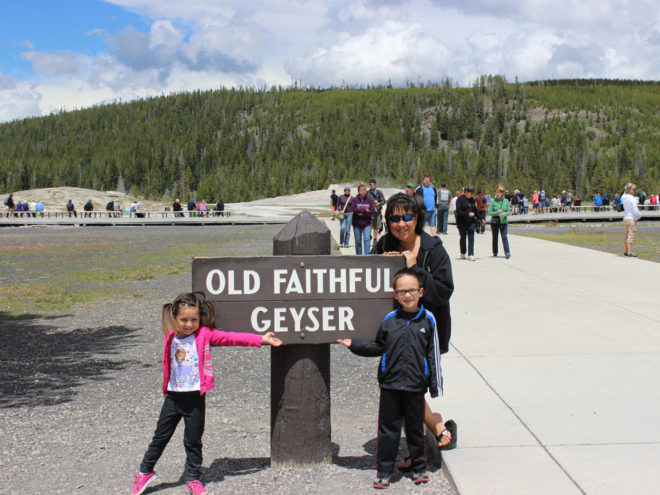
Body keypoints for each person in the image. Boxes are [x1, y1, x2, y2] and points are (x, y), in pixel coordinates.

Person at [131, 292, 282, 495]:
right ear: (174, 318)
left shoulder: (204, 335)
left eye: (194, 319)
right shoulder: (170, 337)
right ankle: (145, 472)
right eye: (184, 320)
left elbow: (230, 338)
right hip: (173, 397)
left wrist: (260, 339)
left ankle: (193, 477)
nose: (189, 324)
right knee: (160, 437)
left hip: (195, 398)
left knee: (193, 440)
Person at [337, 268, 441, 488]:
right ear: (395, 295)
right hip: (390, 384)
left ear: (420, 292)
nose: (407, 295)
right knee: (388, 431)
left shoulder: (428, 320)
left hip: (415, 385)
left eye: (412, 290)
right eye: (402, 291)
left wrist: (435, 386)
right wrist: (355, 345)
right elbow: (378, 347)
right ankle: (384, 471)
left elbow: (433, 355)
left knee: (415, 430)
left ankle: (419, 468)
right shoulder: (389, 320)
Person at [371, 193, 455, 460]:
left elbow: (443, 292)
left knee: (407, 388)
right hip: (396, 333)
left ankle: (430, 434)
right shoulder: (384, 244)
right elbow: (368, 287)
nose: (401, 223)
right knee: (404, 386)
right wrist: (383, 263)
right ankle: (433, 430)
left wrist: (414, 267)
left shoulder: (433, 248)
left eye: (407, 217)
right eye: (394, 218)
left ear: (417, 218)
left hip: (426, 333)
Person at [349, 183, 376, 255]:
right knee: (358, 241)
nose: (362, 191)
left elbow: (372, 211)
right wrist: (365, 210)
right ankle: (359, 256)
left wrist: (360, 211)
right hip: (356, 223)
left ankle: (366, 256)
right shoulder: (354, 200)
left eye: (363, 190)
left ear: (365, 191)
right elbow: (354, 210)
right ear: (358, 191)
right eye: (361, 190)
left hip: (367, 223)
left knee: (367, 239)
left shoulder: (370, 200)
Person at [455, 185, 478, 261]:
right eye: (470, 192)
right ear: (466, 192)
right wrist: (467, 214)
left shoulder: (472, 200)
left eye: (472, 192)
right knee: (463, 237)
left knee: (471, 237)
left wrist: (481, 218)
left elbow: (475, 210)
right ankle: (463, 252)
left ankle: (471, 254)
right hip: (461, 221)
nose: (471, 194)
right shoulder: (460, 199)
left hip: (471, 222)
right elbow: (458, 211)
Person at [488, 185, 511, 258]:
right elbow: (489, 212)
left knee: (504, 237)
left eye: (499, 192)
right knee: (495, 237)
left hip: (503, 222)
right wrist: (497, 212)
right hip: (495, 222)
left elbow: (508, 211)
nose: (497, 194)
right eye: (496, 192)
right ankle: (495, 252)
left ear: (502, 193)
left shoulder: (506, 201)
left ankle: (507, 252)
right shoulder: (493, 201)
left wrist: (505, 214)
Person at [622, 183, 642, 257]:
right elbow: (635, 211)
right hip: (631, 218)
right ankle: (629, 252)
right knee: (631, 235)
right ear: (630, 190)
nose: (635, 191)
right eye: (634, 189)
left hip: (625, 217)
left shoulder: (624, 197)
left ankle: (626, 251)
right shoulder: (632, 199)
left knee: (626, 235)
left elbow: (624, 193)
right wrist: (639, 216)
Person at [367, 179, 386, 251]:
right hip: (369, 212)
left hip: (377, 212)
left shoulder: (379, 192)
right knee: (369, 226)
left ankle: (375, 239)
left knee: (376, 227)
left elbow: (384, 201)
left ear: (375, 185)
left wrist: (379, 203)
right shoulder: (367, 193)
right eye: (370, 184)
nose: (372, 186)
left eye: (373, 184)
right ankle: (369, 236)